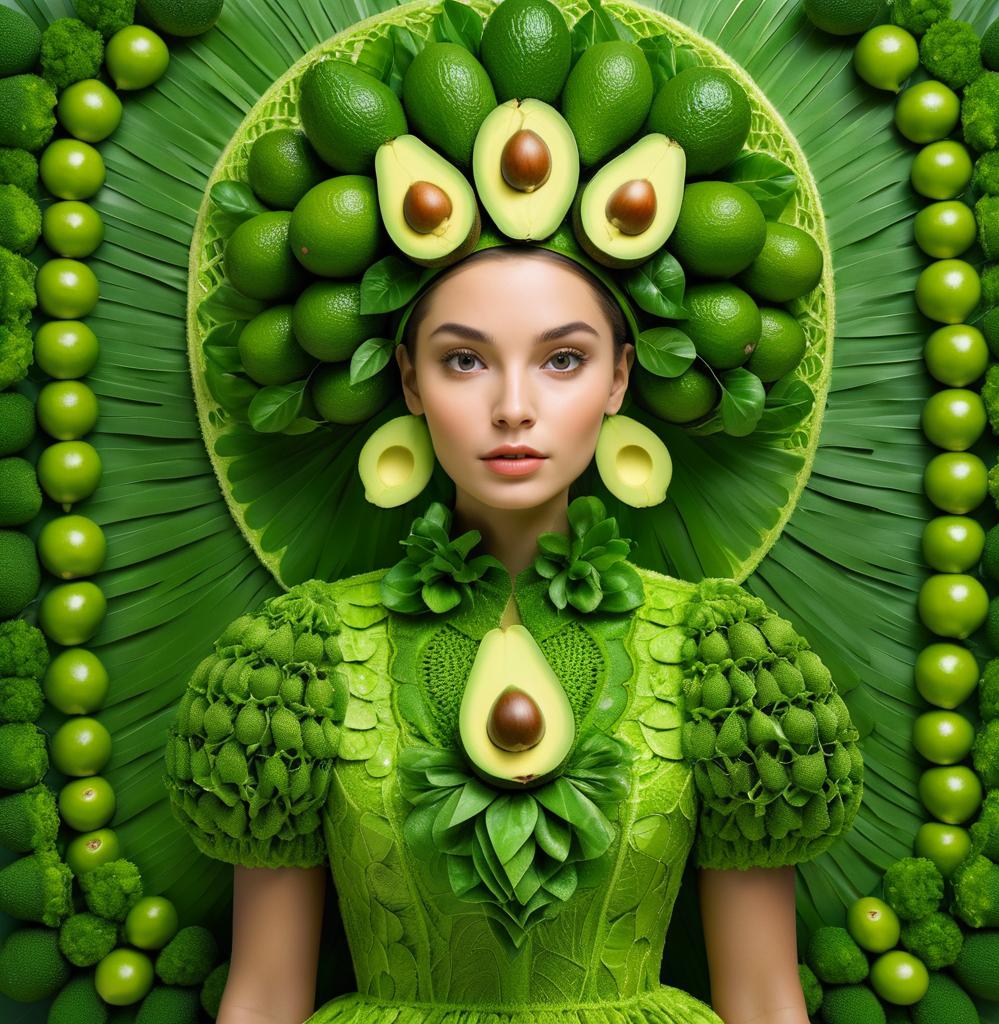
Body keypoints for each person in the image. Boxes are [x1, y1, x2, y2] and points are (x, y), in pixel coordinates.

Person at [163, 245, 863, 1024]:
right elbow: (262, 995)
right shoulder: (300, 658)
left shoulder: (723, 658)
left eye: (563, 359)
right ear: (409, 382)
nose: (513, 407)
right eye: (464, 361)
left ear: (620, 380)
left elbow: (766, 999)